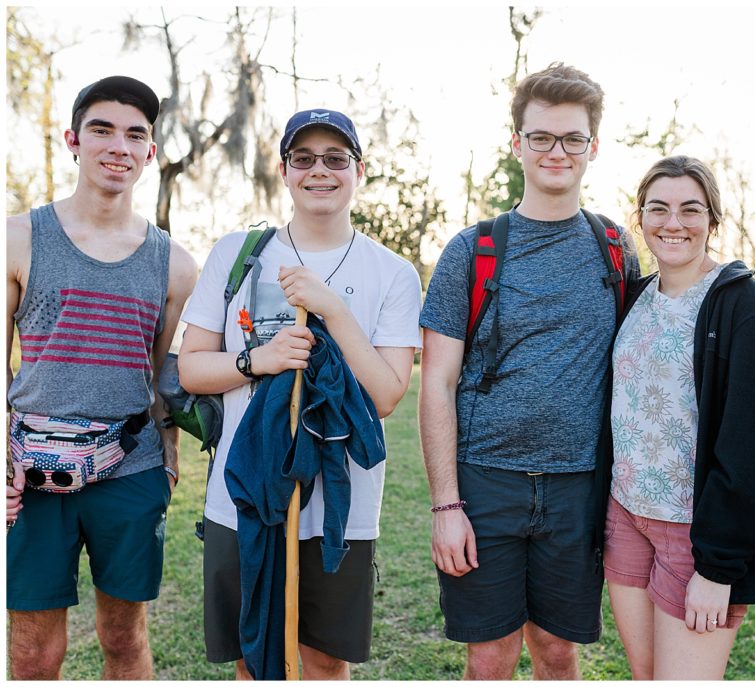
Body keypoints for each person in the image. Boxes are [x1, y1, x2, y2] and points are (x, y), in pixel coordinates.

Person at [177, 108, 421, 680]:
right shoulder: (237, 253)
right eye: (304, 158)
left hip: (341, 506)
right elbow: (191, 370)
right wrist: (257, 360)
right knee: (252, 655)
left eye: (335, 159)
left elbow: (385, 395)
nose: (320, 171)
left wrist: (332, 308)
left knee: (325, 662)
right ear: (284, 170)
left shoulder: (393, 273)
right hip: (243, 496)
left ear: (359, 170)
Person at [419, 62, 639, 681]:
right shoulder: (472, 251)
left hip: (579, 486)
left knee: (557, 651)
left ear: (593, 148)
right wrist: (445, 506)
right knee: (490, 657)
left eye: (572, 138)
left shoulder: (616, 246)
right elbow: (435, 382)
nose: (556, 151)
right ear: (517, 143)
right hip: (485, 483)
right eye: (541, 137)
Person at [6, 75, 197, 680]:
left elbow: (167, 379)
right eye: (102, 129)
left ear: (151, 153)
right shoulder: (17, 238)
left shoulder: (176, 264)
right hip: (30, 473)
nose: (119, 145)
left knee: (123, 637)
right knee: (33, 651)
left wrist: (167, 460)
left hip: (130, 471)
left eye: (135, 134)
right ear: (73, 140)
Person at [604, 155, 755, 679]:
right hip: (626, 516)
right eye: (658, 209)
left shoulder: (747, 308)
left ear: (713, 220)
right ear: (640, 217)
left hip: (697, 534)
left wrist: (717, 568)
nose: (674, 223)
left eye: (691, 210)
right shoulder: (638, 296)